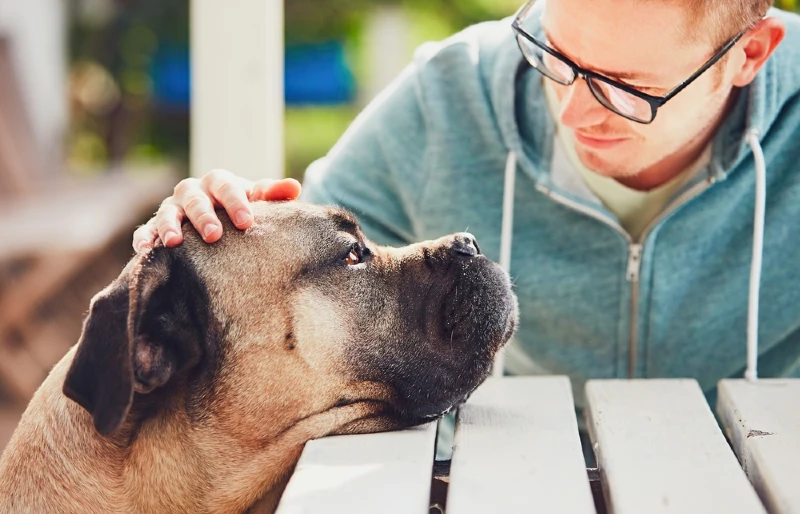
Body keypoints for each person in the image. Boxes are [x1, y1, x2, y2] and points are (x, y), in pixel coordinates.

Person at [133, 0, 800, 460]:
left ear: (751, 54)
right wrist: (223, 233)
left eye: (625, 89)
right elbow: (307, 258)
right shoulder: (444, 98)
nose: (569, 111)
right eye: (557, 56)